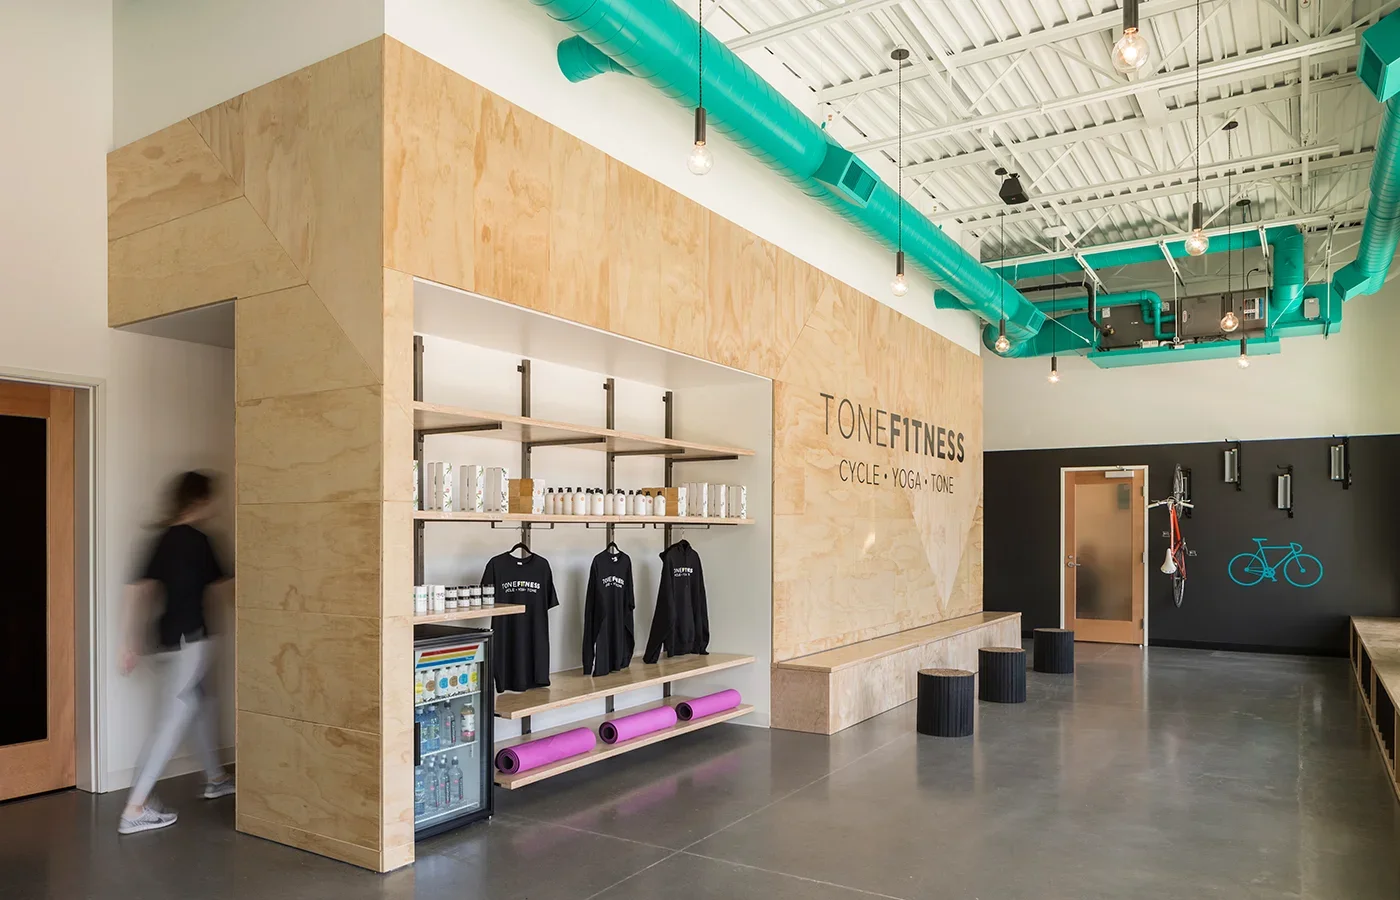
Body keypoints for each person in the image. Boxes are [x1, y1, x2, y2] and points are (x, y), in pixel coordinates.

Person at [118, 471, 234, 835]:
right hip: (190, 642)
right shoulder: (199, 541)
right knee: (174, 719)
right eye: (211, 499)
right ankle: (135, 808)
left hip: (164, 642)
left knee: (199, 703)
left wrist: (129, 643)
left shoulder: (163, 539)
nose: (215, 506)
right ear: (199, 501)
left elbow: (137, 590)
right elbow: (227, 587)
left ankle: (215, 778)